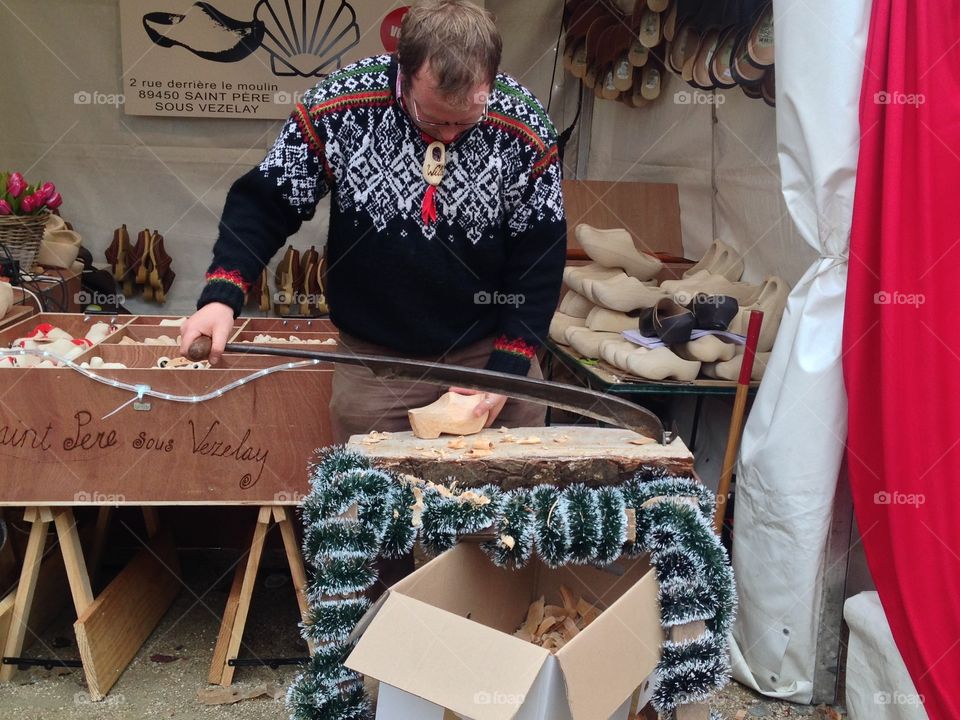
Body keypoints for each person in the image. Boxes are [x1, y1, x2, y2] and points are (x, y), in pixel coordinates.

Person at [180, 0, 567, 444]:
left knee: (507, 503)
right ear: (403, 70)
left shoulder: (524, 127)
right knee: (369, 504)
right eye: (434, 117)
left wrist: (509, 367)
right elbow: (268, 202)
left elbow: (539, 256)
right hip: (376, 362)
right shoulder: (340, 105)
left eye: (466, 121)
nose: (447, 135)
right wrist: (222, 295)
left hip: (487, 350)